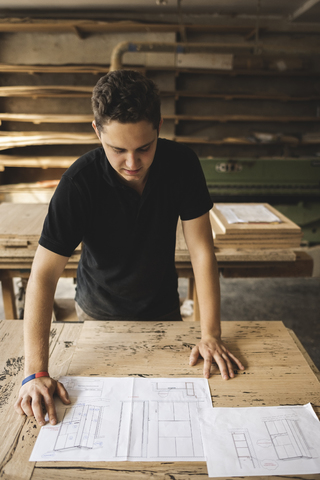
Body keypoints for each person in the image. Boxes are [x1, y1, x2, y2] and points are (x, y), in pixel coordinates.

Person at [14, 69, 244, 426]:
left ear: (159, 127)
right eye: (117, 150)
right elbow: (43, 276)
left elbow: (201, 252)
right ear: (97, 131)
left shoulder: (183, 165)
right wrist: (35, 373)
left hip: (163, 309)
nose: (132, 163)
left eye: (145, 148)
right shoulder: (79, 184)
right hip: (97, 314)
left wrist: (211, 333)